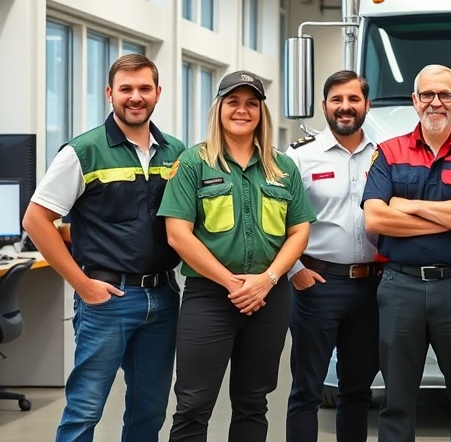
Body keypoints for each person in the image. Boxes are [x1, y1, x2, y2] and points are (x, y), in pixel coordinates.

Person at [22, 54, 186, 442]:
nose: (135, 97)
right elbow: (35, 220)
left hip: (163, 297)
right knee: (85, 409)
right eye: (126, 89)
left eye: (144, 88)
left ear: (158, 94)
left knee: (150, 409)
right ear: (110, 94)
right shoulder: (83, 151)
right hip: (108, 299)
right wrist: (82, 284)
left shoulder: (175, 152)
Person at [157, 70, 315, 442]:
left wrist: (268, 280)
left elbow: (299, 231)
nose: (242, 110)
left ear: (261, 111)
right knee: (193, 403)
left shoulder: (282, 167)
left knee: (253, 401)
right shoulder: (194, 163)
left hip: (269, 298)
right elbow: (178, 235)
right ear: (219, 108)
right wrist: (232, 283)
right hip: (209, 297)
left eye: (251, 103)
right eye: (233, 102)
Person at [362, 64, 451, 442]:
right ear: (415, 101)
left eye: (444, 95)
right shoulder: (388, 153)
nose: (435, 103)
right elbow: (375, 218)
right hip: (399, 286)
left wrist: (406, 206)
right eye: (427, 95)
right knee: (397, 399)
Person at [285, 70, 380, 442]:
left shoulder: (384, 153)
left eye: (353, 99)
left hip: (371, 288)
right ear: (324, 105)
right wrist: (294, 270)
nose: (345, 107)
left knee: (357, 391)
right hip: (317, 286)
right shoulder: (299, 158)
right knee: (306, 391)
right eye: (337, 99)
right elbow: (277, 220)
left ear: (366, 105)